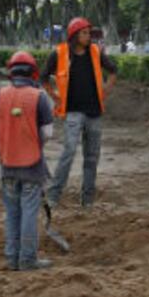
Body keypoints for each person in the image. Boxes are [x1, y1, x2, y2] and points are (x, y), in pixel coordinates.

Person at [0, 51, 55, 271]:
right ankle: (27, 259)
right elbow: (48, 133)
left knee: (12, 213)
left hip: (8, 166)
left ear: (11, 72)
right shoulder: (39, 97)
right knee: (29, 213)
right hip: (32, 167)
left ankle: (12, 258)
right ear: (33, 72)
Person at [41, 17, 118, 208]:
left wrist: (106, 91)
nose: (88, 36)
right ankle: (54, 196)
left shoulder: (95, 51)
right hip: (73, 112)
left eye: (89, 33)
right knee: (69, 151)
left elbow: (113, 71)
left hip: (94, 113)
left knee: (92, 157)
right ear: (74, 35)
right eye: (84, 33)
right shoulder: (60, 53)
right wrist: (55, 97)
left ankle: (88, 200)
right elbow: (43, 77)